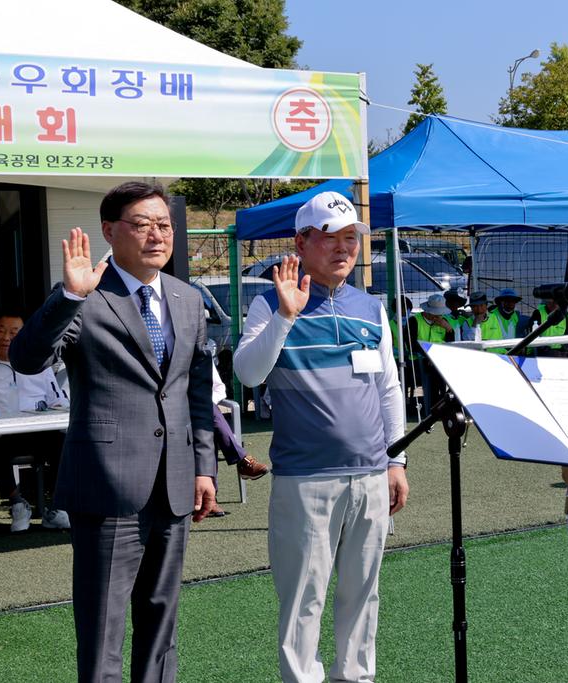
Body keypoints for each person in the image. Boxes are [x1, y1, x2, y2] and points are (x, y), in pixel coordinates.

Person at [9, 181, 216, 682]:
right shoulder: (87, 296)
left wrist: (204, 468)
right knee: (103, 629)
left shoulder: (188, 300)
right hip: (106, 488)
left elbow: (195, 394)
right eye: (142, 225)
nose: (157, 235)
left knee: (162, 625)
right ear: (109, 230)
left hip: (173, 486)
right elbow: (26, 358)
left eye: (164, 224)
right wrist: (69, 296)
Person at [233, 190, 408, 683]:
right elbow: (248, 373)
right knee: (303, 600)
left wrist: (396, 461)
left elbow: (389, 388)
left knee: (363, 595)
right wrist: (286, 316)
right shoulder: (269, 303)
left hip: (371, 475)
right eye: (331, 237)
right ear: (301, 242)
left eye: (351, 238)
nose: (344, 248)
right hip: (305, 480)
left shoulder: (370, 307)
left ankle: (356, 678)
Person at [0, 311, 71, 531]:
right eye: (1, 331)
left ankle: (56, 508)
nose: (6, 338)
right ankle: (17, 504)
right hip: (1, 434)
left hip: (37, 431)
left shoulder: (38, 363)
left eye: (13, 332)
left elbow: (59, 400)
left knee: (65, 444)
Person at [206, 363, 269, 517]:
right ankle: (242, 461)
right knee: (208, 421)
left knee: (207, 427)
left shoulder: (201, 354)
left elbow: (219, 388)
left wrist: (204, 402)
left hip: (200, 414)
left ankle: (209, 498)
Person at [409, 293, 454, 414]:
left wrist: (449, 329)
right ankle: (434, 407)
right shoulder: (414, 320)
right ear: (427, 311)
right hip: (418, 360)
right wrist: (429, 356)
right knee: (433, 374)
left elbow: (450, 344)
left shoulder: (444, 322)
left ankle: (446, 405)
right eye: (435, 313)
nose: (438, 316)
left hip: (439, 359)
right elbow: (411, 345)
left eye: (440, 313)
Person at [488, 288, 522, 354]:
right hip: (496, 353)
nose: (510, 303)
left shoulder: (517, 316)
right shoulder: (491, 315)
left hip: (513, 353)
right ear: (501, 301)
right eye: (507, 300)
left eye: (513, 301)